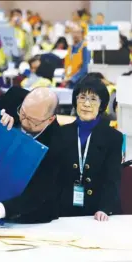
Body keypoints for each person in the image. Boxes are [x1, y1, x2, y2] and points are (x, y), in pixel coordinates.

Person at [0, 87, 62, 223]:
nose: (25, 121)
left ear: (50, 120)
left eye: (33, 120)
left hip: (23, 209)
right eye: (23, 113)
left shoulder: (58, 142)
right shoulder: (14, 97)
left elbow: (39, 193)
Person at [57, 77, 123, 221]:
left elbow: (112, 178)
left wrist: (105, 208)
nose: (86, 104)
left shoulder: (113, 137)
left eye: (93, 99)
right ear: (75, 101)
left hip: (98, 212)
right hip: (64, 210)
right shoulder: (61, 133)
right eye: (82, 98)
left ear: (101, 105)